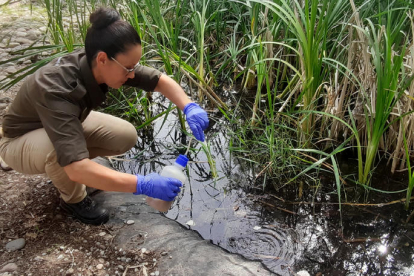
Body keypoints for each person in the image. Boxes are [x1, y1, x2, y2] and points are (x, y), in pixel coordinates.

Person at [0, 7, 209, 225]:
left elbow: (159, 80)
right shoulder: (56, 87)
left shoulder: (102, 65)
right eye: (128, 68)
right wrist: (142, 184)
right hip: (17, 141)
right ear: (102, 59)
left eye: (134, 66)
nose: (132, 74)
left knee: (125, 135)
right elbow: (76, 166)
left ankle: (73, 173)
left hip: (54, 124)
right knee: (62, 156)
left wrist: (189, 106)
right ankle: (73, 200)